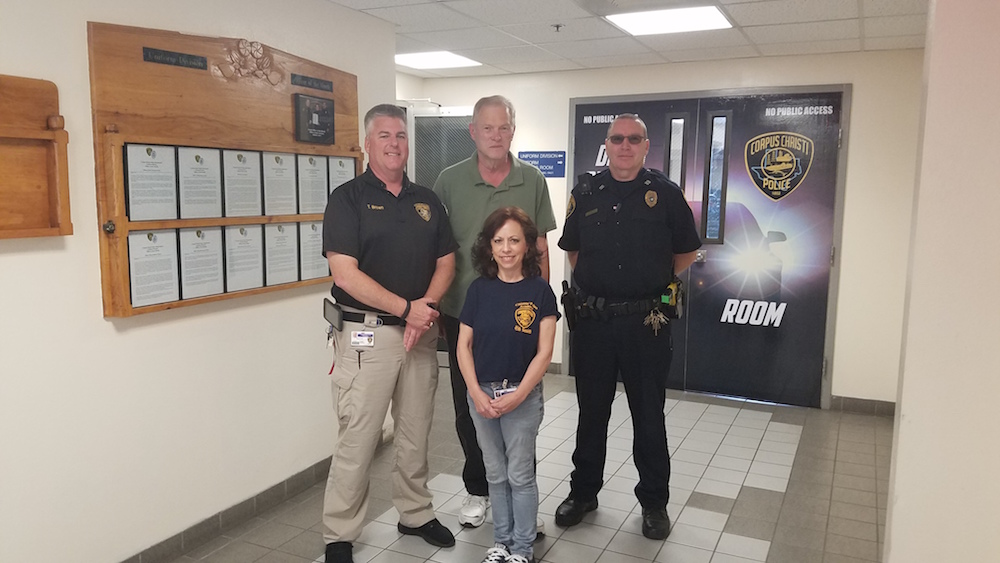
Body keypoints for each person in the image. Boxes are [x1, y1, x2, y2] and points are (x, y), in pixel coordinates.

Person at [321, 104, 459, 563]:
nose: (395, 143)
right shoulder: (348, 198)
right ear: (367, 143)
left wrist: (427, 310)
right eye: (384, 135)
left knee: (416, 431)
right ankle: (340, 534)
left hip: (420, 336)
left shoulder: (427, 199)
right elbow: (344, 273)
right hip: (368, 337)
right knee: (358, 436)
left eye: (400, 135)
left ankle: (415, 513)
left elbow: (446, 261)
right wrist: (407, 309)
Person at [555, 113, 701, 540]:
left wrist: (645, 284)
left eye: (633, 139)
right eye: (617, 138)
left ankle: (654, 502)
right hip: (595, 324)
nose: (624, 146)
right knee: (591, 414)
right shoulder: (585, 192)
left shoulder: (667, 194)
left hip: (646, 324)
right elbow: (574, 251)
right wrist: (604, 289)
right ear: (607, 143)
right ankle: (583, 494)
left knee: (649, 417)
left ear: (645, 145)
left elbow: (685, 254)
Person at [432, 95, 557, 530]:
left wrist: (544, 301)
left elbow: (540, 246)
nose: (496, 135)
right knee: (469, 404)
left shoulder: (532, 179)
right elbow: (438, 247)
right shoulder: (448, 181)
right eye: (488, 128)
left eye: (504, 127)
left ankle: (523, 504)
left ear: (512, 130)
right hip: (464, 313)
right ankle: (477, 489)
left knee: (522, 405)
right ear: (472, 131)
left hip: (520, 314)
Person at [457, 207, 559, 563]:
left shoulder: (540, 291)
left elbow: (544, 353)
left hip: (523, 396)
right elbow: (463, 346)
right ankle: (500, 543)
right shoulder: (478, 290)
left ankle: (522, 547)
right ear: (488, 247)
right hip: (481, 395)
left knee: (519, 474)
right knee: (495, 473)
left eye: (514, 240)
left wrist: (518, 395)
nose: (506, 248)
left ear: (528, 245)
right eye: (498, 241)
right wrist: (474, 392)